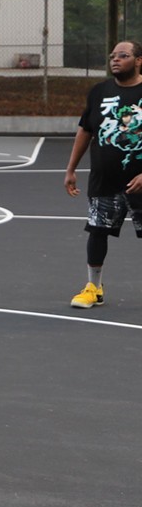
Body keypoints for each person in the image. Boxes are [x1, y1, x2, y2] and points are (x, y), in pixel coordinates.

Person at [64, 41, 142, 309]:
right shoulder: (99, 92)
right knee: (97, 231)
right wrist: (71, 168)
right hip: (104, 180)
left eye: (123, 55)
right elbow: (86, 130)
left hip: (140, 181)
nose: (115, 60)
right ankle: (93, 287)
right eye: (112, 56)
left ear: (139, 60)